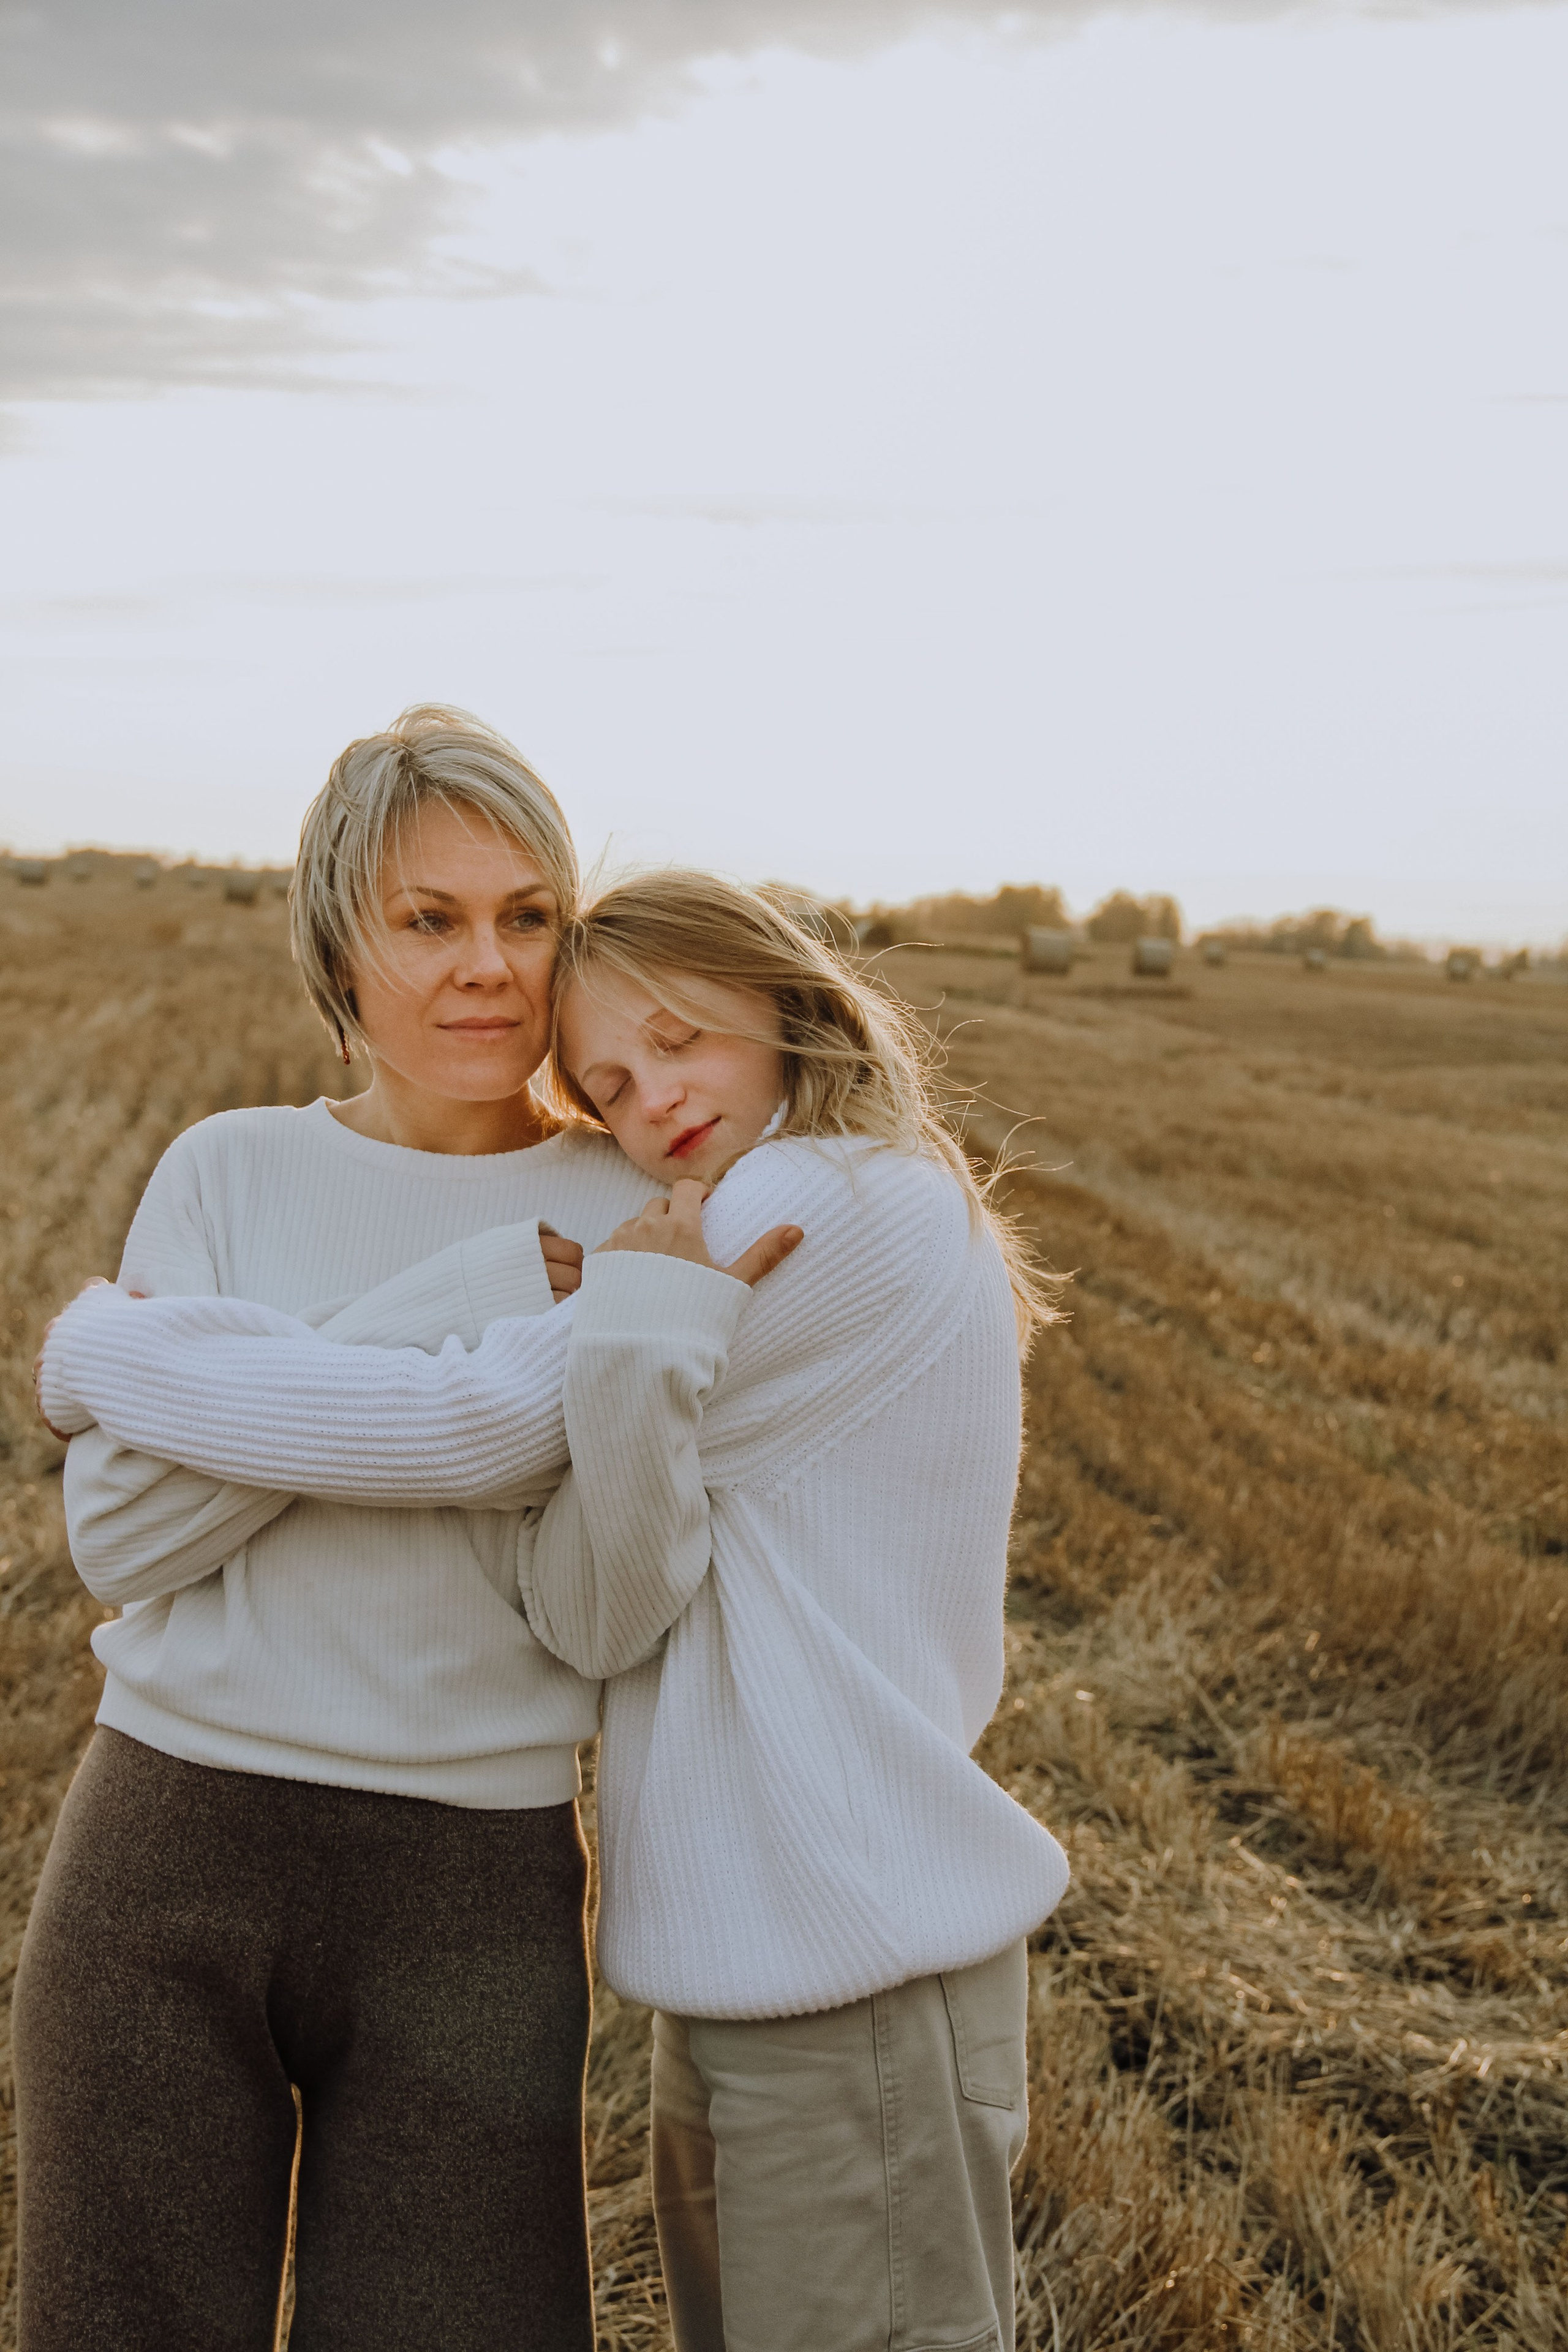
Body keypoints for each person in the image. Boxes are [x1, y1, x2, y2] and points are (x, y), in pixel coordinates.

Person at [40, 869, 1071, 2352]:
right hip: (748, 1962)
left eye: (679, 1041)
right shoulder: (671, 1208)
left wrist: (96, 1356)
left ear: (780, 1005)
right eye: (609, 1079)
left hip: (852, 1940)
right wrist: (590, 1358)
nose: (654, 1097)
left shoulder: (801, 1203)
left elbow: (475, 1427)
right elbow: (586, 1611)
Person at [18, 709, 797, 2352]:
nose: (487, 968)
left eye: (527, 917)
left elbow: (609, 1617)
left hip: (473, 1890)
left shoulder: (631, 1211)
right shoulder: (230, 1170)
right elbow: (125, 1533)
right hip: (165, 1849)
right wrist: (476, 1318)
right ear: (339, 943)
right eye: (428, 919)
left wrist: (242, 1400)